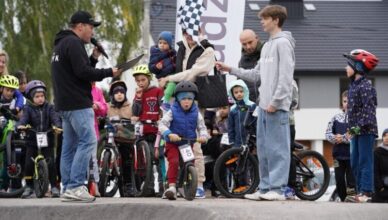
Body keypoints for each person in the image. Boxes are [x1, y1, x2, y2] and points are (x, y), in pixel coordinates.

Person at [216, 5, 295, 201]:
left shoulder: (283, 44)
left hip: (276, 107)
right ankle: (266, 187)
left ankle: (278, 189)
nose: (262, 21)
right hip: (262, 106)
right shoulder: (267, 46)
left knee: (278, 149)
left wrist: (276, 102)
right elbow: (256, 74)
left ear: (275, 20)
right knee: (264, 148)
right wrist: (230, 69)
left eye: (265, 18)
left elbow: (286, 77)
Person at [51, 10, 122, 202]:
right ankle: (75, 186)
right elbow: (83, 73)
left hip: (64, 104)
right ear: (80, 26)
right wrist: (109, 72)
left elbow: (76, 71)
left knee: (70, 146)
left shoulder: (61, 44)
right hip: (77, 103)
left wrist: (94, 58)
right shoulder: (74, 43)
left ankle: (68, 187)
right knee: (89, 141)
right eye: (91, 27)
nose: (92, 32)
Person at [158, 28, 215, 199]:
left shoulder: (207, 50)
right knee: (174, 155)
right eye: (186, 33)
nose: (189, 37)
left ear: (201, 32)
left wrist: (170, 78)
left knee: (195, 146)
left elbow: (193, 73)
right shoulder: (181, 48)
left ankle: (198, 184)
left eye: (193, 33)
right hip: (177, 97)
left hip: (195, 98)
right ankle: (172, 185)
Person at [158, 81, 208, 200]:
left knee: (190, 162)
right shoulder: (172, 111)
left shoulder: (196, 113)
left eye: (189, 99)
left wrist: (203, 136)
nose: (187, 102)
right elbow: (162, 124)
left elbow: (202, 127)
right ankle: (171, 187)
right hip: (173, 143)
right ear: (178, 100)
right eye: (184, 99)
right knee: (174, 161)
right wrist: (169, 134)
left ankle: (190, 186)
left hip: (187, 143)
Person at [343, 49, 379, 203]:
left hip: (365, 131)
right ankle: (360, 192)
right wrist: (351, 128)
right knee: (355, 162)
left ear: (357, 67)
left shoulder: (365, 87)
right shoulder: (353, 86)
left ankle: (366, 192)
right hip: (356, 131)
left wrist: (355, 129)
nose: (345, 68)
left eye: (348, 65)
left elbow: (368, 114)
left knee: (365, 161)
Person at [18, 80, 62, 198]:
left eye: (42, 96)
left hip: (47, 138)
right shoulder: (28, 108)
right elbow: (24, 119)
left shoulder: (50, 107)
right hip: (32, 139)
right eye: (37, 96)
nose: (40, 99)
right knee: (28, 164)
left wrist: (57, 126)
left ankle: (54, 186)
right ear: (31, 97)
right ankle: (29, 186)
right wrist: (22, 125)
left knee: (51, 163)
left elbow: (55, 118)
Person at [131, 64, 163, 196]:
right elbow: (136, 112)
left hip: (157, 131)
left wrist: (161, 117)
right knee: (146, 160)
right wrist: (138, 98)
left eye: (143, 80)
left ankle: (163, 186)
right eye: (138, 81)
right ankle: (148, 187)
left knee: (159, 157)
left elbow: (163, 106)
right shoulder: (138, 94)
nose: (140, 83)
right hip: (144, 131)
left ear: (149, 79)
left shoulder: (157, 91)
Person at [325, 90, 355, 202]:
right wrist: (335, 138)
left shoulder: (356, 119)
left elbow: (354, 135)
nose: (347, 103)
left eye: (349, 101)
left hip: (351, 156)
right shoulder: (335, 118)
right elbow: (327, 134)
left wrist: (341, 138)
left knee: (351, 180)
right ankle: (343, 199)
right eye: (345, 101)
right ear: (342, 102)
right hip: (338, 156)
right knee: (339, 180)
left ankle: (351, 198)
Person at [107, 80, 134, 197]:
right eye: (116, 92)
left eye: (122, 92)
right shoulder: (108, 106)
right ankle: (103, 177)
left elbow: (134, 119)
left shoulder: (130, 106)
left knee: (127, 158)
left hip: (125, 138)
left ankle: (128, 184)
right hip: (110, 137)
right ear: (112, 94)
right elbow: (102, 115)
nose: (119, 94)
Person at [0, 75, 24, 192]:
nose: (9, 93)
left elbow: (21, 99)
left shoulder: (15, 100)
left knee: (6, 161)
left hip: (9, 132)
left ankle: (3, 186)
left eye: (12, 90)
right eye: (7, 90)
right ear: (2, 89)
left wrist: (17, 109)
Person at [88, 82, 108, 197]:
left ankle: (94, 185)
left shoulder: (97, 90)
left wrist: (97, 105)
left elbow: (104, 108)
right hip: (78, 129)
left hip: (93, 129)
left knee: (93, 159)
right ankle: (78, 185)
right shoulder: (77, 86)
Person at [148, 31, 176, 111]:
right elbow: (151, 67)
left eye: (165, 43)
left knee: (172, 87)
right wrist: (156, 67)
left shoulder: (173, 54)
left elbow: (176, 65)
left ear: (169, 44)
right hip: (162, 78)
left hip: (171, 75)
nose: (162, 45)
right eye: (160, 42)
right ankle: (165, 102)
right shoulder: (155, 53)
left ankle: (166, 102)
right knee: (169, 87)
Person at [238, 29, 264, 102]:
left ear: (257, 38)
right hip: (249, 106)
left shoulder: (268, 53)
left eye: (250, 42)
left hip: (268, 105)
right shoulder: (242, 61)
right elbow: (239, 84)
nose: (248, 47)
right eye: (244, 44)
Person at [372, 128, 388, 203]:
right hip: (381, 188)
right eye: (385, 135)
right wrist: (381, 187)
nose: (386, 138)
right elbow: (375, 171)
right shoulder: (377, 152)